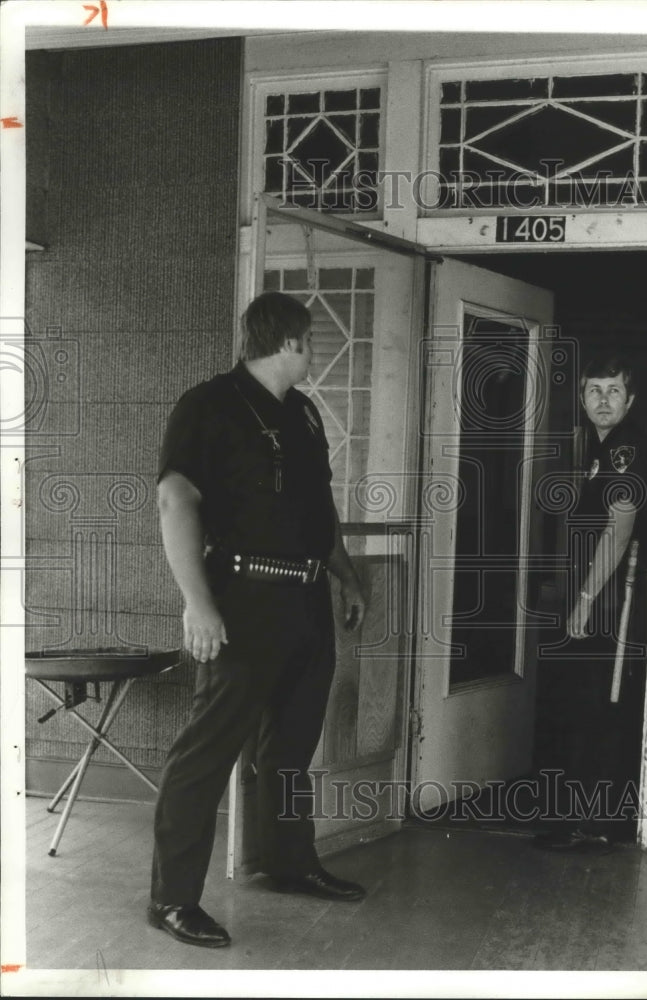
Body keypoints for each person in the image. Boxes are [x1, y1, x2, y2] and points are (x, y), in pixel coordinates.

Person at [147, 291, 367, 948]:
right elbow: (173, 499)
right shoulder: (207, 406)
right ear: (293, 343)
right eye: (311, 343)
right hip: (240, 598)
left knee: (291, 749)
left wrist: (346, 577)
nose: (312, 354)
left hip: (304, 602)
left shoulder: (302, 414)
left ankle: (289, 863)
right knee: (205, 754)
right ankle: (174, 900)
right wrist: (198, 602)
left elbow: (317, 512)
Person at [536, 355, 647, 851]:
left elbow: (619, 527)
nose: (603, 400)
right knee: (583, 702)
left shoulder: (626, 448)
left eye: (614, 391)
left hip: (609, 598)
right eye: (594, 391)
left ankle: (595, 823)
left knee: (599, 703)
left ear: (630, 400)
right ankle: (582, 818)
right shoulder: (599, 449)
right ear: (583, 399)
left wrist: (584, 600)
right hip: (591, 590)